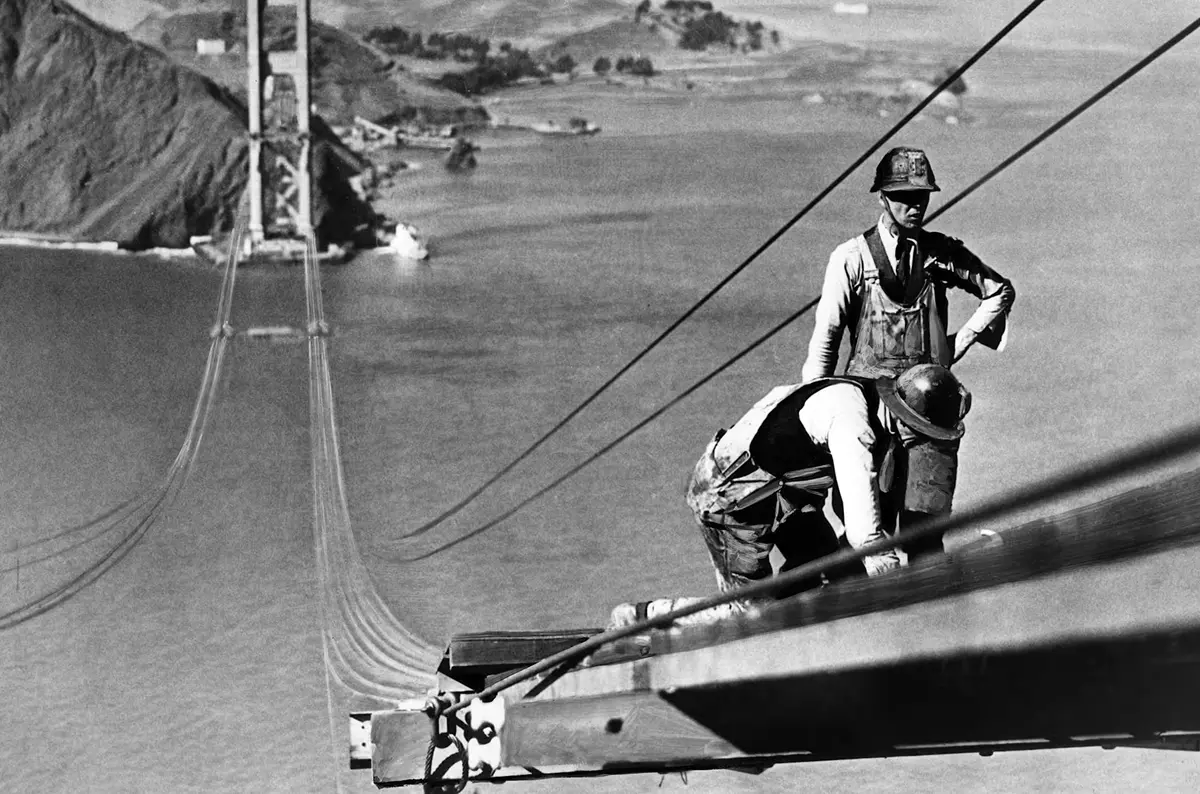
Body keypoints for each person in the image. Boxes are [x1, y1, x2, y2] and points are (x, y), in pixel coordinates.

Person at [801, 146, 1015, 563]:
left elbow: (999, 290)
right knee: (867, 526)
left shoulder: (941, 255)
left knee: (924, 527)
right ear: (882, 197)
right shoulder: (850, 258)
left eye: (921, 196)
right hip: (866, 404)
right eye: (902, 196)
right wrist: (815, 409)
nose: (914, 205)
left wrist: (959, 343)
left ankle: (929, 607)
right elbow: (825, 339)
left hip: (927, 410)